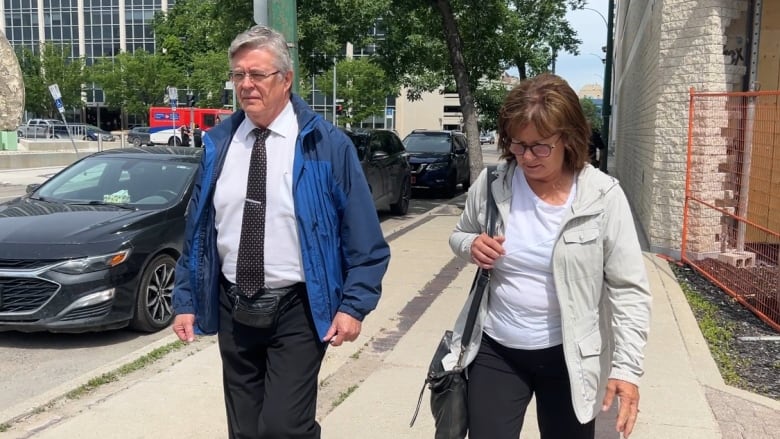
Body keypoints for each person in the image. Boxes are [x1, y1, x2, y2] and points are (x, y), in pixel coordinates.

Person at [171, 25, 389, 439]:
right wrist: (185, 300)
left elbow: (364, 239)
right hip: (234, 304)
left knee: (284, 427)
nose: (246, 85)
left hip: (299, 308)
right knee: (246, 429)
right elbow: (198, 232)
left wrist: (354, 305)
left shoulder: (327, 145)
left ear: (286, 79)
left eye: (258, 74)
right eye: (238, 75)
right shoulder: (219, 143)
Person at [448, 73, 652, 439]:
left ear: (569, 140)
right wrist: (470, 245)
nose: (526, 157)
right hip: (497, 350)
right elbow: (460, 234)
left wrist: (626, 369)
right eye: (517, 144)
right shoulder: (493, 185)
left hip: (570, 358)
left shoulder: (602, 197)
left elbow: (629, 290)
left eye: (540, 146)